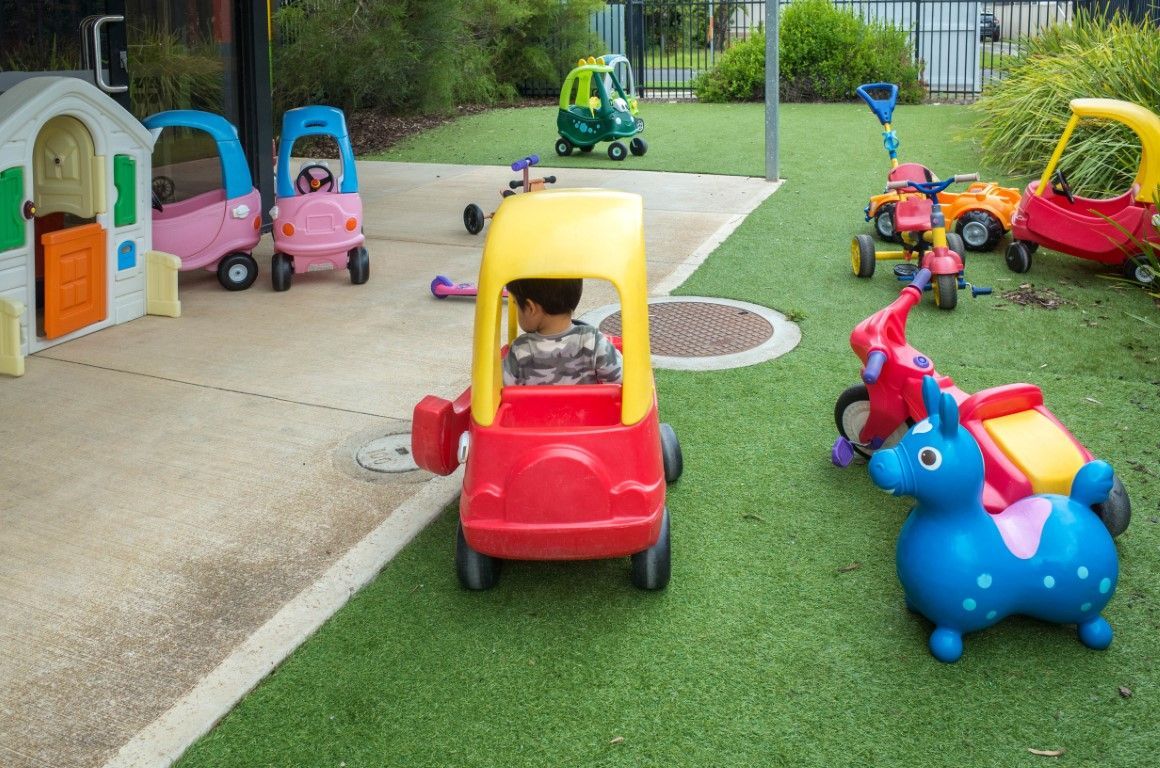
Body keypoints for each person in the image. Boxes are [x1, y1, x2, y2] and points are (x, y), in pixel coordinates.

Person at [502, 278, 623, 386]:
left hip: (536, 411)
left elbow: (496, 393)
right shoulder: (593, 341)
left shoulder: (519, 350)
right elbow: (625, 377)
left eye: (516, 304)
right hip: (585, 411)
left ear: (530, 308)